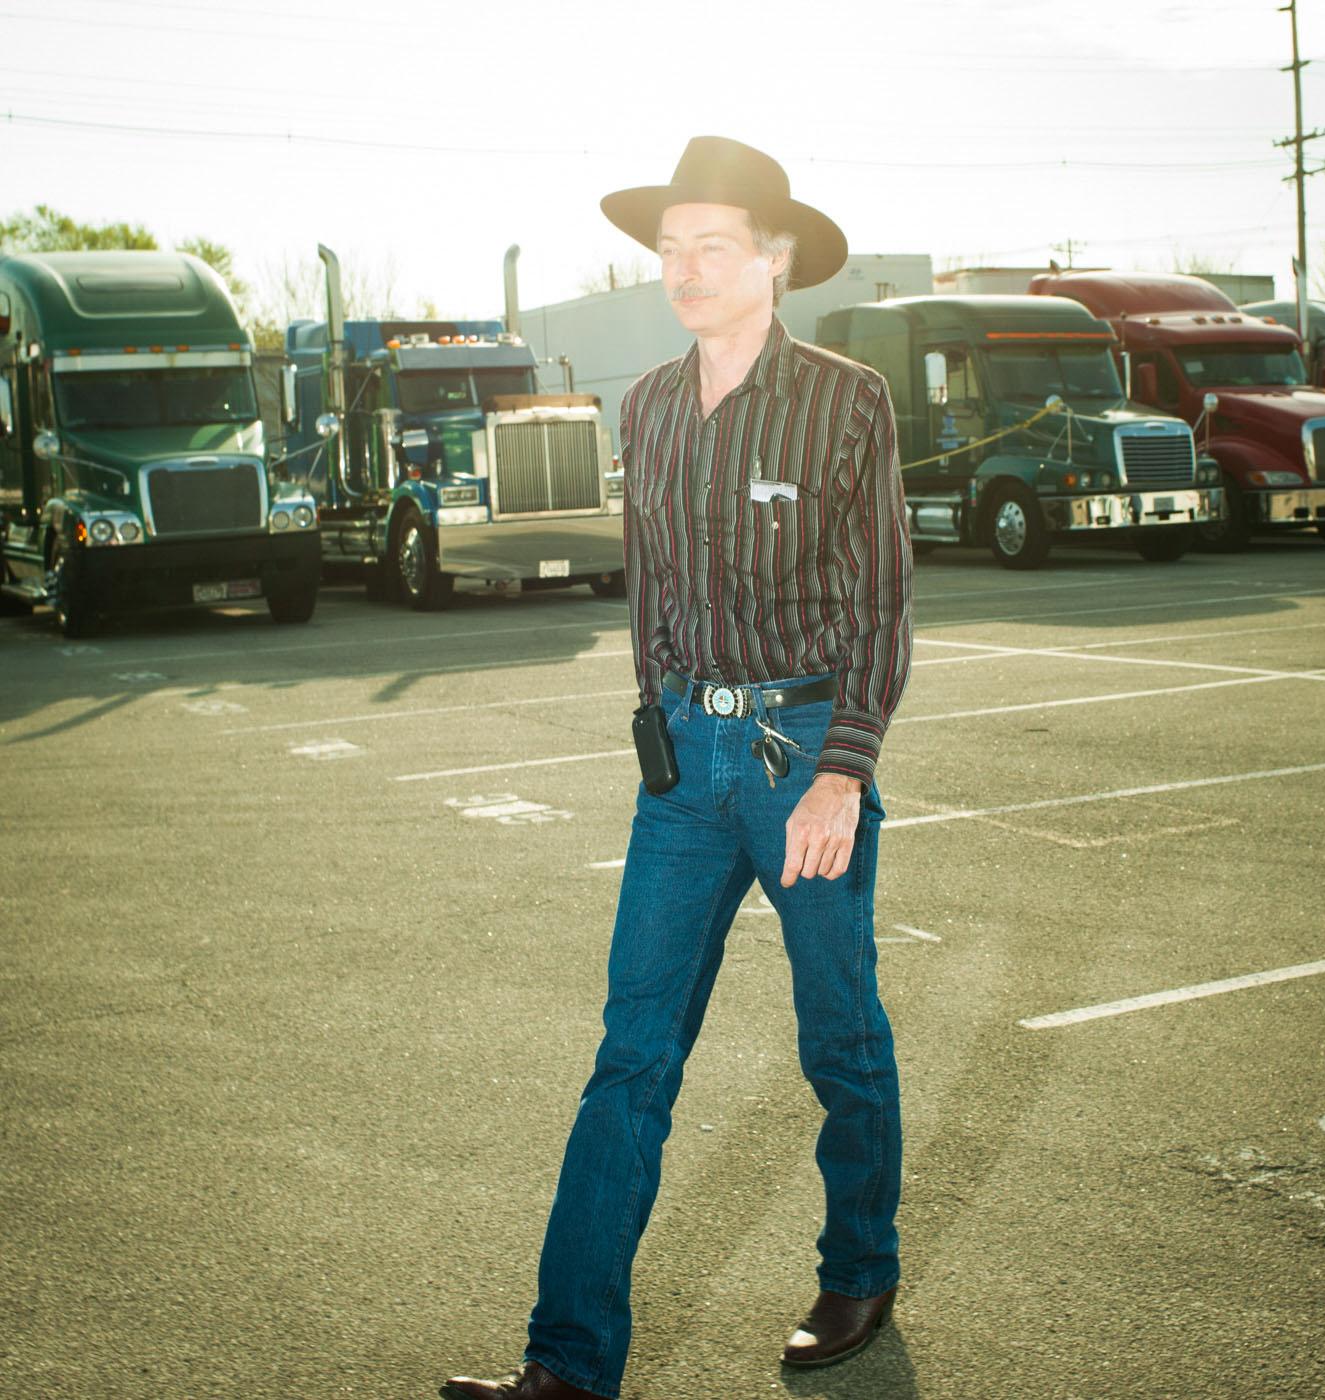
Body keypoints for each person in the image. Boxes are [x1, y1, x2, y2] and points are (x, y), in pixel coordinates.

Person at [442, 135, 913, 1400]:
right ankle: (566, 1363)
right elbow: (649, 585)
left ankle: (858, 1267)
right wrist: (651, 718)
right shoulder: (645, 406)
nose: (683, 268)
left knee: (840, 1035)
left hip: (801, 753)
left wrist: (841, 771)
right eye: (667, 247)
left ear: (771, 261)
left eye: (711, 245)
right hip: (683, 770)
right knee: (632, 1055)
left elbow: (878, 604)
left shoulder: (844, 400)